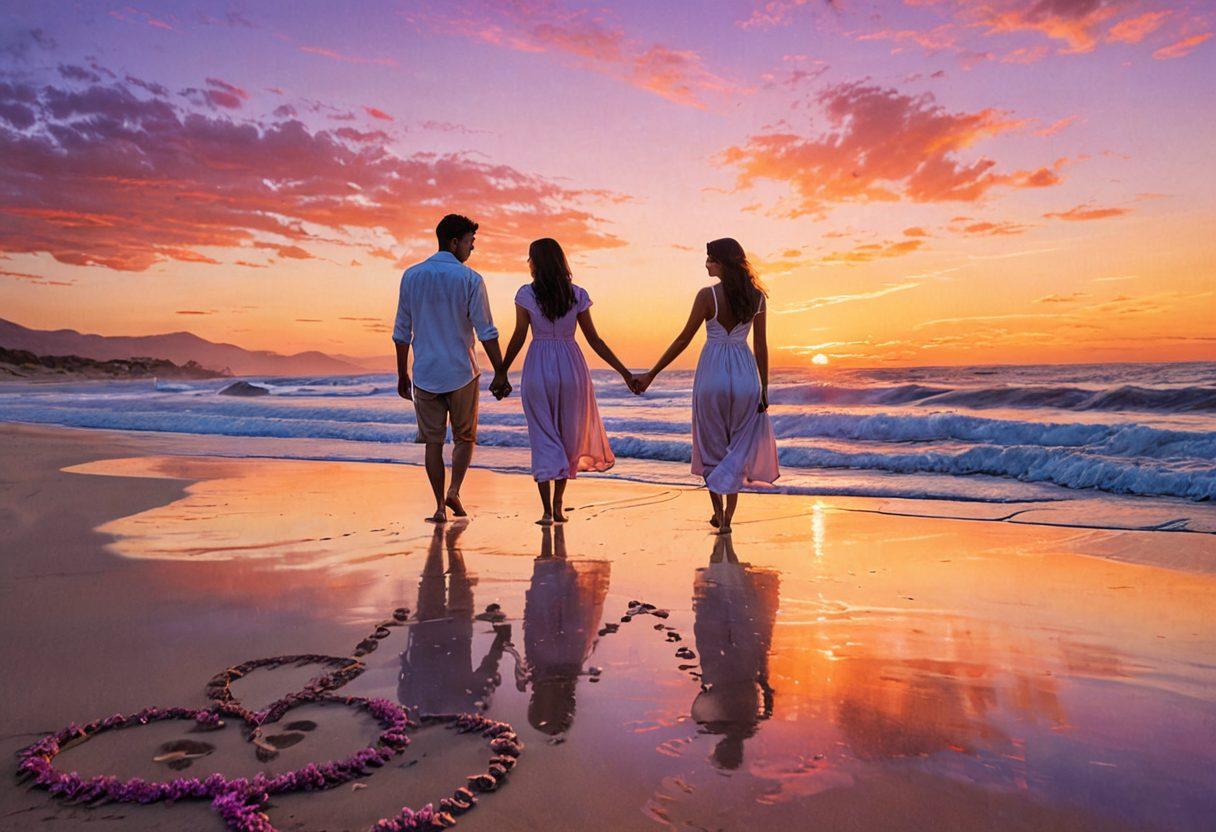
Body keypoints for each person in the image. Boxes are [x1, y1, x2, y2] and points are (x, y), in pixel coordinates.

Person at [635, 238, 779, 533]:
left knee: (711, 446)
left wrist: (652, 373)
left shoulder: (706, 296)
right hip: (744, 375)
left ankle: (718, 512)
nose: (706, 263)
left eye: (711, 259)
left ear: (724, 263)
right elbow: (761, 346)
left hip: (712, 374)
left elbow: (683, 339)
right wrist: (764, 388)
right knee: (737, 447)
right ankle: (728, 519)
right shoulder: (757, 298)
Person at [494, 238, 635, 525]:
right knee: (567, 436)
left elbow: (520, 336)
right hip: (572, 367)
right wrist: (625, 372)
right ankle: (558, 507)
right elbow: (595, 340)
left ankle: (546, 510)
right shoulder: (577, 295)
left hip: (538, 366)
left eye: (530, 258)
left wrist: (502, 371)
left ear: (536, 262)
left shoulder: (525, 294)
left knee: (544, 436)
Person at [394, 214, 510, 523]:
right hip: (461, 371)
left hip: (426, 373)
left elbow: (401, 331)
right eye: (470, 243)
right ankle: (454, 491)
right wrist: (500, 371)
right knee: (464, 438)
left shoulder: (411, 276)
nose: (472, 249)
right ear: (454, 242)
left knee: (432, 442)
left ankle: (438, 507)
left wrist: (401, 373)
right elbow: (487, 331)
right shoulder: (470, 279)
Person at [691, 534, 779, 769]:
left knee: (733, 621)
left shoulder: (749, 725)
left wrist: (765, 684)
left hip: (736, 674)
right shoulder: (732, 726)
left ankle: (727, 575)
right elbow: (700, 711)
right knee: (728, 620)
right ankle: (726, 576)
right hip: (731, 674)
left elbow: (767, 708)